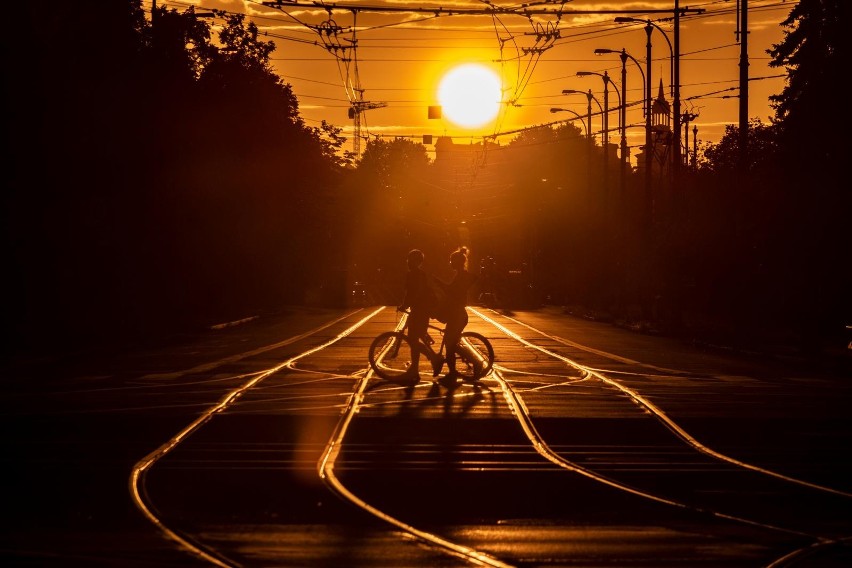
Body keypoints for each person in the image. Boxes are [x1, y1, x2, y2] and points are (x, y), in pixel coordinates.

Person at [435, 246, 478, 386]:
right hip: (456, 314)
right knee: (450, 342)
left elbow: (451, 291)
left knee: (450, 344)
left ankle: (473, 363)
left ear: (457, 262)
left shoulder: (462, 276)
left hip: (458, 315)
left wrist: (438, 283)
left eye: (452, 261)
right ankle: (453, 371)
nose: (450, 263)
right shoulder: (460, 275)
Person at [398, 249, 444, 379]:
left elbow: (412, 293)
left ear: (415, 261)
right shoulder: (422, 274)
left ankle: (433, 358)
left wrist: (404, 305)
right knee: (417, 338)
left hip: (418, 311)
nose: (408, 262)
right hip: (424, 311)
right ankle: (415, 369)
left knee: (413, 340)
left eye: (410, 259)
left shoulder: (412, 274)